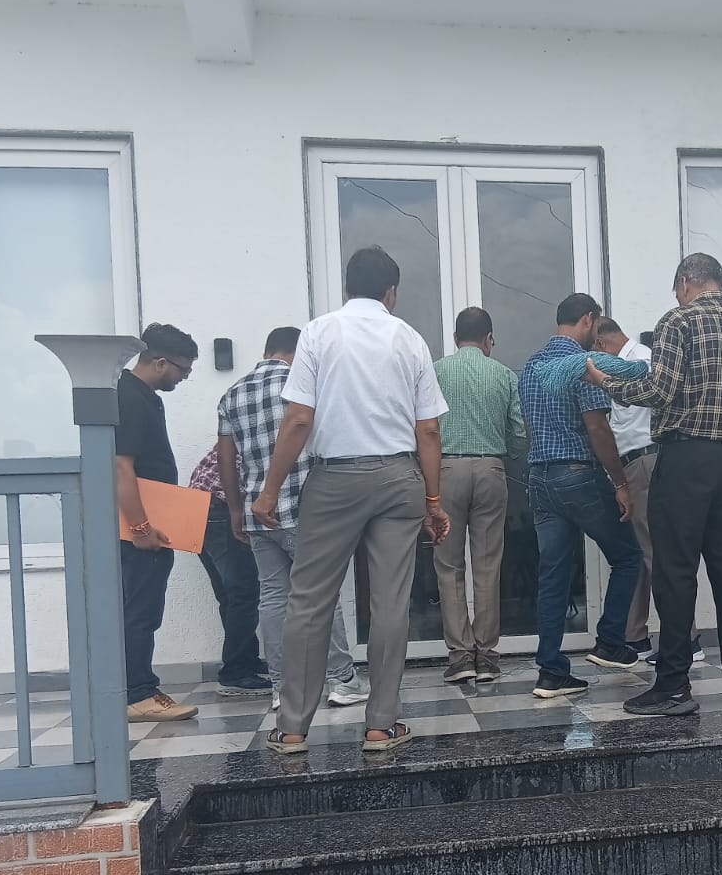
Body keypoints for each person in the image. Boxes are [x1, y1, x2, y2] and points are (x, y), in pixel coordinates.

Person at [253, 247, 450, 753]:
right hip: (398, 478)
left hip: (334, 479)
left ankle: (292, 728)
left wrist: (270, 490)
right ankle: (381, 725)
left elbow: (299, 418)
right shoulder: (409, 339)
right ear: (392, 292)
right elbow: (428, 429)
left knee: (309, 600)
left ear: (346, 288)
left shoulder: (318, 333)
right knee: (390, 603)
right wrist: (433, 500)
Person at [589, 253, 722, 714]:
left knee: (674, 571)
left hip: (685, 457)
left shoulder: (678, 320)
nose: (677, 296)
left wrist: (606, 382)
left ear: (686, 282)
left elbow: (659, 390)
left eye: (677, 289)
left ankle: (673, 685)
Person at [215, 326, 363, 714]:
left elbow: (225, 458)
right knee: (321, 594)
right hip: (305, 508)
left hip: (257, 512)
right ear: (297, 353)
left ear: (268, 350)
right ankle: (342, 679)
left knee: (273, 597)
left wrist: (236, 509)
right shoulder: (304, 386)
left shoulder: (232, 394)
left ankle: (282, 686)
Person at [519, 295, 645, 699]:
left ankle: (551, 671)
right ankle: (610, 640)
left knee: (552, 576)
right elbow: (598, 428)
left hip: (540, 477)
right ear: (588, 319)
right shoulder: (580, 364)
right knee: (629, 557)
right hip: (577, 474)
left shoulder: (530, 367)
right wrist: (620, 482)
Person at [592, 316, 703, 665]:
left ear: (600, 343)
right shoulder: (631, 362)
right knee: (638, 554)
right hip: (631, 466)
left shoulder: (642, 361)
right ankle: (635, 636)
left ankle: (685, 640)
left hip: (646, 462)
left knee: (658, 553)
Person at [431, 307, 528, 684]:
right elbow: (518, 433)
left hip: (446, 470)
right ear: (489, 339)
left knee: (448, 564)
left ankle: (460, 656)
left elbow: (423, 426)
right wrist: (507, 455)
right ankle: (486, 655)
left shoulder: (437, 372)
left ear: (456, 339)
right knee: (488, 564)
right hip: (491, 469)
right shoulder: (503, 374)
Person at [116, 323, 201, 722]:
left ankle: (138, 688)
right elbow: (121, 467)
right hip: (139, 532)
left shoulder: (141, 396)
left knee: (142, 609)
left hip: (149, 526)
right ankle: (138, 694)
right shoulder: (131, 397)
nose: (184, 377)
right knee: (140, 610)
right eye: (183, 369)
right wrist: (140, 529)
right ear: (161, 362)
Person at [187, 446, 269, 697]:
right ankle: (236, 672)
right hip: (220, 509)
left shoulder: (234, 430)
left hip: (198, 509)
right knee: (244, 592)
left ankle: (245, 660)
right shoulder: (267, 432)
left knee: (230, 595)